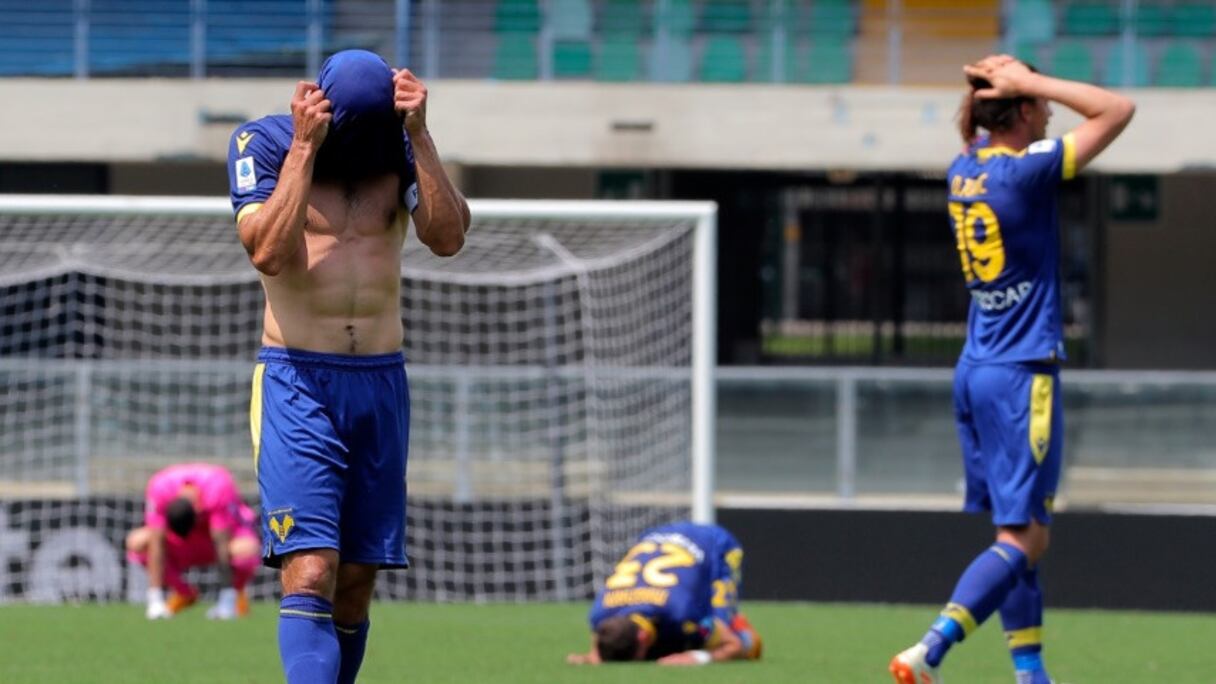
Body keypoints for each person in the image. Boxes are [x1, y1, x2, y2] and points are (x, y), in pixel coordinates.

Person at [226, 49, 469, 684]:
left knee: (357, 581)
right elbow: (269, 255)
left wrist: (419, 134)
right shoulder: (266, 142)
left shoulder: (400, 143)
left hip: (381, 385)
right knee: (311, 569)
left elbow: (447, 237)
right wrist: (306, 150)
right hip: (297, 379)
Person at [889, 55, 1134, 684]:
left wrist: (990, 89)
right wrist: (1029, 81)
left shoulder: (963, 167)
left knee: (1017, 532)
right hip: (1022, 373)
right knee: (1026, 541)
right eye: (1038, 101)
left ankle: (1030, 674)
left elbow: (974, 126)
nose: (1050, 108)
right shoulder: (1029, 173)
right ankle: (929, 651)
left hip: (976, 369)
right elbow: (1117, 109)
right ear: (1022, 107)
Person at [567, 521, 763, 666]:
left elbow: (732, 646)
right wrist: (593, 656)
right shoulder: (599, 614)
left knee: (745, 646)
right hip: (655, 535)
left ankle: (740, 624)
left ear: (643, 637)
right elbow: (600, 638)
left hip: (715, 545)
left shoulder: (682, 615)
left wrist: (697, 658)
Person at [126, 462, 261, 620]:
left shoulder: (218, 486)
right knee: (137, 543)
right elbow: (157, 540)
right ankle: (183, 593)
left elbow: (221, 542)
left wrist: (227, 598)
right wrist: (154, 600)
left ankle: (235, 595)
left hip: (217, 539)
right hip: (182, 545)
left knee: (247, 550)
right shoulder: (160, 487)